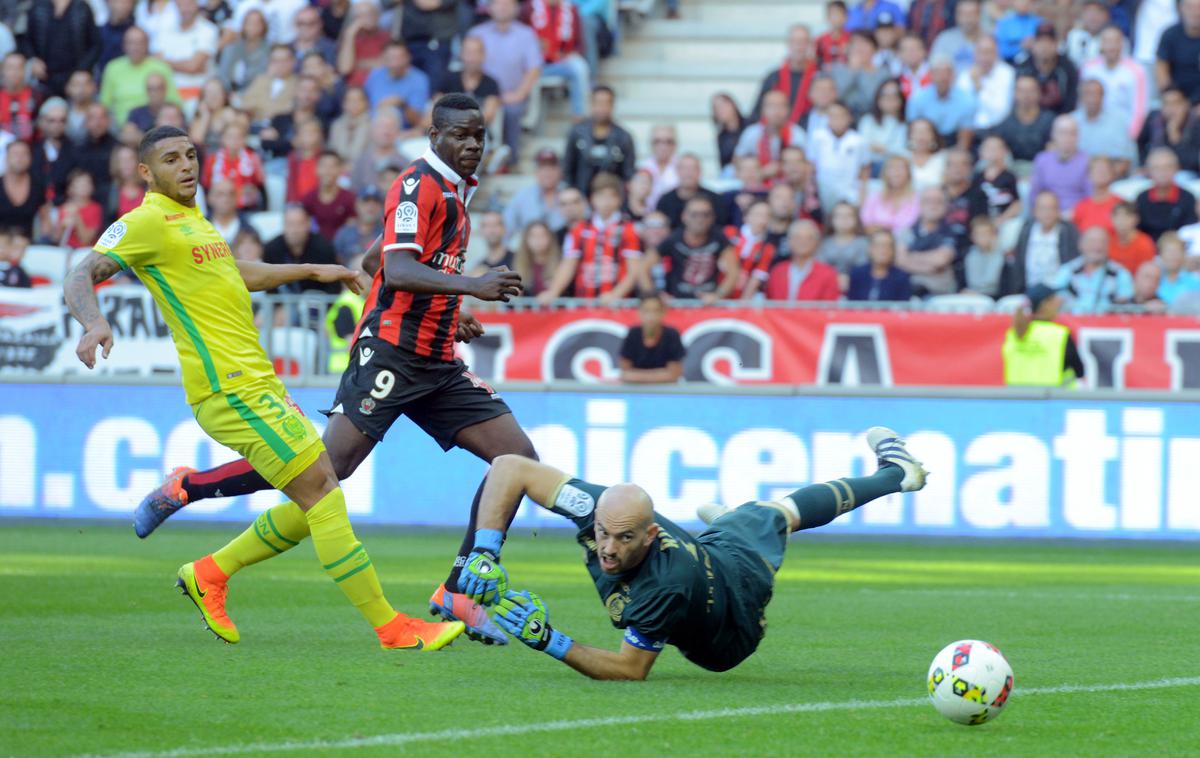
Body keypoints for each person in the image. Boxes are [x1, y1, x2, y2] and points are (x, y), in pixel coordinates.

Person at [133, 96, 541, 647]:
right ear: (435, 134)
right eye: (462, 135)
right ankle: (195, 499)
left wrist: (448, 310)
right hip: (391, 359)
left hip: (437, 360)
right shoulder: (419, 186)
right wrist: (472, 287)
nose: (473, 145)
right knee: (322, 475)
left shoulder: (456, 192)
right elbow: (395, 270)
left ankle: (458, 590)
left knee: (517, 459)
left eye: (480, 136)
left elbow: (377, 261)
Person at [65, 124, 463, 650]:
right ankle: (391, 628)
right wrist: (93, 322)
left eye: (190, 155)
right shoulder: (145, 223)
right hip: (227, 389)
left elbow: (234, 272)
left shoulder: (192, 221)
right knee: (322, 491)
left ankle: (209, 573)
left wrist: (315, 270)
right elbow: (81, 272)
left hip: (259, 383)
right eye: (170, 159)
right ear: (146, 172)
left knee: (312, 496)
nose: (186, 166)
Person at [452, 430, 927, 678]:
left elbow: (630, 669)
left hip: (732, 624)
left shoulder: (665, 583)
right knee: (760, 516)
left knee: (776, 512)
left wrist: (549, 640)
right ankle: (728, 523)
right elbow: (511, 467)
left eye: (623, 539)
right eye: (602, 534)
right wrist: (485, 552)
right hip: (707, 557)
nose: (608, 549)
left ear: (651, 535)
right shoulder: (603, 512)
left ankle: (898, 474)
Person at [539, 173, 641, 304]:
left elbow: (634, 270)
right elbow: (568, 265)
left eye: (611, 196)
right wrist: (553, 291)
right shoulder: (578, 230)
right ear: (592, 199)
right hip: (584, 303)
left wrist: (616, 295)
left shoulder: (629, 230)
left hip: (618, 306)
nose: (606, 202)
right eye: (601, 196)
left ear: (619, 199)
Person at [468, 0, 542, 166]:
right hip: (481, 95)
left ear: (516, 8)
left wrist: (519, 94)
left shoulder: (526, 34)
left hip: (512, 95)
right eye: (498, 3)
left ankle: (510, 161)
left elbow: (534, 69)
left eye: (507, 4)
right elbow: (467, 64)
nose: (502, 7)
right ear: (489, 8)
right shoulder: (476, 33)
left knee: (512, 112)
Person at [655, 195, 736, 303]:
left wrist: (717, 295)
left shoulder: (719, 238)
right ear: (684, 216)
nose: (700, 219)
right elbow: (643, 267)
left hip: (708, 305)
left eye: (705, 215)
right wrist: (657, 294)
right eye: (694, 215)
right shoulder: (673, 239)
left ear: (713, 217)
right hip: (677, 305)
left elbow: (734, 272)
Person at [1002, 283, 1084, 386]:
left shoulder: (1013, 334)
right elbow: (1080, 372)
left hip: (1016, 399)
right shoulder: (1059, 335)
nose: (1060, 301)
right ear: (1046, 304)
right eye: (1055, 298)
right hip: (1051, 399)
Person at [522, 0, 590, 121]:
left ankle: (579, 116)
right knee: (530, 74)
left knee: (580, 67)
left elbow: (580, 46)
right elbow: (519, 35)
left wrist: (566, 54)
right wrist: (534, 46)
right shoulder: (529, 8)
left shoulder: (571, 10)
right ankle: (528, 122)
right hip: (535, 63)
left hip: (560, 62)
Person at [563, 86, 636, 193]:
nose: (602, 108)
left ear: (612, 106)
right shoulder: (577, 133)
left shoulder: (624, 137)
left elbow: (628, 174)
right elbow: (567, 169)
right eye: (598, 103)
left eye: (607, 103)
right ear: (591, 105)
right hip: (581, 200)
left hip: (612, 201)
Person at [100, 26, 179, 125]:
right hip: (121, 128)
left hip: (155, 126)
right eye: (131, 43)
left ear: (147, 45)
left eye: (140, 43)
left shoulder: (161, 67)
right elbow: (104, 104)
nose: (135, 47)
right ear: (124, 45)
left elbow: (174, 102)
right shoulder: (112, 68)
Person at [1005, 191, 1079, 293]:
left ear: (1058, 211)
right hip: (1028, 288)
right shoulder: (1026, 229)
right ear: (1034, 211)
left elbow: (1074, 264)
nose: (1047, 213)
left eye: (1051, 208)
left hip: (1058, 292)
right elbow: (1019, 262)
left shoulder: (1068, 231)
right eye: (1043, 208)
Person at [1082, 26, 1148, 140]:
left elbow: (1140, 109)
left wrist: (1130, 137)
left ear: (1122, 44)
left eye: (1115, 41)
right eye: (1107, 41)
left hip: (1123, 131)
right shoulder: (1088, 68)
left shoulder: (1136, 71)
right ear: (1100, 44)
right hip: (1091, 129)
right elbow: (1081, 102)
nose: (1111, 46)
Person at [21, 0, 100, 96]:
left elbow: (96, 44)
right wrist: (33, 59)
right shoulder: (38, 6)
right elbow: (26, 40)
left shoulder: (82, 8)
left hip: (75, 77)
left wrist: (82, 69)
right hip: (44, 77)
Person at [1052, 226, 1134, 313]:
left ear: (1108, 246)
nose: (1097, 246)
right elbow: (1053, 299)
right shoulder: (1067, 271)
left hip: (1106, 324)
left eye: (1102, 242)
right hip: (1071, 323)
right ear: (1081, 244)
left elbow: (1127, 306)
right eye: (1092, 241)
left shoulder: (1120, 274)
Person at [262, 204, 341, 294]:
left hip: (318, 303)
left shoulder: (324, 248)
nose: (295, 230)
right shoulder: (271, 249)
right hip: (282, 305)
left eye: (299, 224)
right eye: (290, 224)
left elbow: (334, 284)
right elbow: (268, 283)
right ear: (283, 225)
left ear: (308, 224)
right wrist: (277, 306)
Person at [151, 0, 218, 103]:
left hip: (197, 96)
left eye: (189, 4)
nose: (185, 8)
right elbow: (155, 62)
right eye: (181, 4)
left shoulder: (208, 30)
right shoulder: (164, 29)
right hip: (167, 96)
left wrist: (165, 61)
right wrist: (188, 65)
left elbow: (193, 66)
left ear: (197, 5)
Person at [896, 187, 958, 296]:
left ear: (946, 206)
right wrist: (930, 266)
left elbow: (940, 260)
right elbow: (900, 261)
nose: (933, 205)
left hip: (939, 293)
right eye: (928, 201)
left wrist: (910, 256)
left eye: (938, 201)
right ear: (920, 204)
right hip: (907, 291)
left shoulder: (951, 231)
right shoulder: (907, 230)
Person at [808, 101, 869, 212]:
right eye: (833, 115)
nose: (837, 119)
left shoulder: (858, 141)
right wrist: (810, 194)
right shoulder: (818, 137)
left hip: (850, 192)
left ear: (849, 118)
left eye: (841, 115)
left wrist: (862, 196)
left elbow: (864, 170)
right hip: (823, 191)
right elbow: (811, 167)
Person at [433, 36, 501, 132]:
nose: (471, 58)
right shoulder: (448, 79)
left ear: (483, 56)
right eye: (468, 53)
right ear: (461, 54)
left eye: (476, 53)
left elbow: (488, 116)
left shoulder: (491, 84)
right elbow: (437, 107)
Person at [734, 90, 806, 181]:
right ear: (763, 110)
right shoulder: (751, 133)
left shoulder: (798, 134)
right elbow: (737, 162)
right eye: (771, 106)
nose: (777, 111)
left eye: (781, 106)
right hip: (757, 185)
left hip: (790, 186)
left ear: (788, 110)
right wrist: (761, 173)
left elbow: (806, 167)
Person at [752, 24, 818, 122]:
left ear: (810, 45)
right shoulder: (773, 78)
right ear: (788, 44)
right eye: (795, 42)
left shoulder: (819, 78)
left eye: (803, 42)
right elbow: (758, 112)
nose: (799, 47)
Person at [905, 56, 975, 148]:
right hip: (925, 142)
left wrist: (958, 155)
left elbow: (966, 134)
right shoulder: (917, 99)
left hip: (954, 141)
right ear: (931, 75)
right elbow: (912, 130)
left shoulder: (967, 99)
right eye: (938, 73)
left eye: (947, 73)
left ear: (953, 75)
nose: (943, 77)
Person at [363, 41, 428, 138]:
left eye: (399, 58)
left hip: (402, 134)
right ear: (384, 58)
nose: (395, 63)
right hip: (370, 128)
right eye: (390, 58)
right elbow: (363, 104)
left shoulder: (419, 79)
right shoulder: (375, 74)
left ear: (408, 57)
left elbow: (418, 121)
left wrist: (403, 104)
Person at [1028, 116, 1090, 216]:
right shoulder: (1042, 160)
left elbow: (1090, 198)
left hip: (1076, 216)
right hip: (1046, 214)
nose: (1067, 138)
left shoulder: (1087, 162)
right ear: (1053, 134)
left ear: (1078, 136)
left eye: (1072, 133)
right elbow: (1035, 194)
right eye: (1063, 132)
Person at [766, 219, 840, 300]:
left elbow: (829, 309)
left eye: (809, 238)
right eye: (797, 237)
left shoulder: (828, 274)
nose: (803, 241)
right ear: (789, 241)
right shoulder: (777, 271)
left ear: (817, 242)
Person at [618, 293, 685, 384]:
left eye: (655, 311)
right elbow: (625, 374)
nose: (651, 316)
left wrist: (637, 376)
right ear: (639, 312)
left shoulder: (671, 335)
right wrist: (661, 375)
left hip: (666, 391)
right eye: (647, 311)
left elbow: (673, 375)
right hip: (635, 392)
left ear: (663, 312)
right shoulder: (633, 334)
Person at [990, 74, 1055, 164]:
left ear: (1039, 93)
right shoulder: (1005, 124)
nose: (1026, 95)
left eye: (1030, 91)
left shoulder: (1050, 121)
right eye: (1022, 91)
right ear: (1015, 94)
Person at [1136, 148, 1198, 241]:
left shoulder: (1188, 198)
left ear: (1177, 168)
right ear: (1148, 171)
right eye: (1157, 168)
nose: (1162, 172)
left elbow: (1190, 233)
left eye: (1168, 167)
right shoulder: (1142, 198)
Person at [1073, 80, 1136, 172]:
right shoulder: (1071, 121)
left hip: (1112, 177)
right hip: (1077, 178)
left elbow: (1125, 160)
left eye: (1096, 94)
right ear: (1081, 97)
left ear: (1103, 97)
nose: (1092, 98)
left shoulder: (1118, 120)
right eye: (1088, 94)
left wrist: (1103, 179)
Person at [1016, 22, 1079, 114]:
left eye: (1049, 42)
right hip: (1030, 119)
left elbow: (1071, 101)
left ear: (1056, 44)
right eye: (1040, 42)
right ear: (1033, 45)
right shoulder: (1023, 68)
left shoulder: (1068, 68)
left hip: (1060, 120)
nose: (1044, 46)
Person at [720, 200, 776, 300]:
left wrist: (742, 306)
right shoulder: (729, 233)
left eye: (766, 216)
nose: (762, 220)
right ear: (746, 216)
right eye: (758, 214)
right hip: (718, 291)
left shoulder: (767, 248)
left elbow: (755, 279)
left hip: (740, 297)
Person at [826, 32, 890, 119]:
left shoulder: (884, 73)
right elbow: (835, 97)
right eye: (855, 44)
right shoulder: (836, 70)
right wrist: (852, 71)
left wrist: (863, 71)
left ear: (875, 49)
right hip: (840, 121)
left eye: (865, 44)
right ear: (848, 48)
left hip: (872, 120)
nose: (860, 48)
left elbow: (873, 100)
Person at [1136, 86, 1200, 171]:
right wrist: (1145, 164)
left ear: (1186, 104)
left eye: (1175, 103)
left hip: (1188, 174)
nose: (1171, 108)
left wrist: (1175, 137)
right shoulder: (1153, 119)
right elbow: (1141, 143)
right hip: (1156, 173)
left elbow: (1194, 162)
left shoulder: (1195, 123)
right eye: (1166, 103)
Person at [958, 36, 1013, 131]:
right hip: (970, 131)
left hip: (998, 129)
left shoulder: (1007, 73)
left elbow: (1001, 112)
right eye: (981, 52)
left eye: (988, 52)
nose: (984, 57)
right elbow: (962, 110)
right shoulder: (965, 76)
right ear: (974, 54)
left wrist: (979, 88)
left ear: (996, 54)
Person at [656, 154, 723, 231]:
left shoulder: (716, 200)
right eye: (684, 168)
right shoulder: (665, 201)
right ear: (677, 171)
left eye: (693, 168)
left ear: (700, 172)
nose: (688, 173)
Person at [301, 150, 356, 241]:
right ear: (316, 169)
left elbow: (353, 229)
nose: (328, 171)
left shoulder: (349, 198)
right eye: (324, 166)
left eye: (332, 166)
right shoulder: (309, 199)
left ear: (340, 169)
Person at [335, 0, 389, 89]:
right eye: (362, 15)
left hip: (379, 87)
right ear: (355, 19)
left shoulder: (386, 37)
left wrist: (357, 63)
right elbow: (345, 69)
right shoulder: (350, 39)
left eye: (371, 14)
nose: (368, 18)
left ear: (378, 15)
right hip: (355, 89)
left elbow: (387, 64)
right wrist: (350, 35)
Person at [860, 154, 919, 235]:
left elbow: (911, 226)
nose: (896, 172)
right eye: (891, 168)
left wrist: (882, 227)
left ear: (908, 173)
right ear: (885, 173)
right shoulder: (875, 197)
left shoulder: (916, 199)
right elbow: (866, 223)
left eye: (900, 168)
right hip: (876, 241)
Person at [1155, 0, 1200, 102]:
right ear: (1180, 8)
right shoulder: (1170, 35)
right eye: (1190, 7)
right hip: (1176, 99)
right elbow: (1161, 70)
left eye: (1199, 7)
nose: (1195, 12)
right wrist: (1172, 99)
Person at [847, 229, 911, 300]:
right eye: (878, 245)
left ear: (893, 250)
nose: (883, 250)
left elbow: (903, 307)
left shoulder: (901, 277)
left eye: (888, 246)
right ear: (870, 248)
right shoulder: (857, 274)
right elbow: (851, 304)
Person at [858, 79, 906, 174]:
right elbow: (863, 146)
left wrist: (883, 149)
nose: (889, 100)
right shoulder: (867, 120)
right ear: (878, 99)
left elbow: (903, 152)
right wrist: (888, 150)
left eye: (894, 96)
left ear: (900, 100)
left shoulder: (904, 125)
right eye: (885, 96)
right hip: (869, 167)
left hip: (894, 168)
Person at [241, 44, 298, 123]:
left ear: (293, 62)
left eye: (284, 60)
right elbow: (247, 103)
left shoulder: (299, 83)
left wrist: (263, 109)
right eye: (275, 61)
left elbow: (290, 108)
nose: (280, 65)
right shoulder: (261, 80)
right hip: (255, 123)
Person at [973, 136, 1021, 227]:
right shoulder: (977, 177)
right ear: (981, 152)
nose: (992, 151)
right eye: (988, 148)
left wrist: (1002, 219)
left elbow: (1017, 203)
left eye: (996, 148)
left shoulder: (1011, 177)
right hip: (981, 224)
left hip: (1005, 221)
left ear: (1005, 151)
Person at [817, 200, 869, 280]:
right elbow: (819, 270)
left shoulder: (864, 244)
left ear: (856, 219)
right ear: (831, 219)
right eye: (839, 216)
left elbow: (865, 270)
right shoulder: (823, 244)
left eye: (849, 215)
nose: (844, 219)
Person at [332, 185, 383, 264]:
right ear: (357, 205)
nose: (371, 206)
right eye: (366, 201)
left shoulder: (386, 234)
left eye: (376, 202)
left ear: (381, 207)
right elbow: (336, 259)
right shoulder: (344, 233)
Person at [1071, 157, 1119, 236]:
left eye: (1105, 169)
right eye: (1097, 170)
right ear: (1089, 175)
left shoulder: (1120, 204)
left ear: (1112, 174)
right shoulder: (1080, 207)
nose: (1101, 172)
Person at [512, 219, 561, 297]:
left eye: (542, 235)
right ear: (526, 240)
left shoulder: (560, 265)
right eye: (533, 236)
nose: (538, 239)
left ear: (550, 238)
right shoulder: (519, 265)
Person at [930, 0, 983, 70]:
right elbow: (934, 68)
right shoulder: (944, 39)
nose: (967, 18)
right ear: (956, 16)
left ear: (979, 15)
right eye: (963, 14)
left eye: (971, 14)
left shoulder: (989, 40)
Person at [638, 125, 680, 209]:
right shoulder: (640, 168)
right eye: (657, 141)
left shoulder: (683, 167)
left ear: (675, 144)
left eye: (669, 142)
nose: (663, 146)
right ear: (650, 144)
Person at [963, 215, 1004, 297]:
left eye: (985, 233)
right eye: (978, 234)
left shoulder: (1003, 257)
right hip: (971, 297)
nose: (982, 238)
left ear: (994, 235)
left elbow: (1005, 288)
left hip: (994, 299)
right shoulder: (967, 255)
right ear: (972, 237)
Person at [1156, 232, 1200, 306]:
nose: (1172, 256)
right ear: (1160, 255)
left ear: (1184, 254)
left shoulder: (1195, 282)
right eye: (1168, 251)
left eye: (1176, 251)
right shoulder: (1153, 279)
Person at [906, 118, 946, 191]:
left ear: (934, 135)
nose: (921, 135)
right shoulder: (902, 157)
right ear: (909, 135)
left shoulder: (944, 158)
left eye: (926, 131)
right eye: (916, 131)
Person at [470, 210, 513, 275]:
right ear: (480, 231)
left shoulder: (519, 260)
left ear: (504, 229)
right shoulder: (478, 268)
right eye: (487, 225)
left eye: (495, 225)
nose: (491, 230)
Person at [711, 92, 746, 172]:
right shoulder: (721, 137)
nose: (720, 111)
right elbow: (723, 165)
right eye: (716, 108)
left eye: (723, 106)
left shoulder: (749, 126)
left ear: (733, 105)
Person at [817, 1, 851, 65]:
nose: (836, 18)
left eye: (839, 14)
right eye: (833, 14)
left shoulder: (852, 39)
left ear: (846, 17)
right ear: (827, 17)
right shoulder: (820, 40)